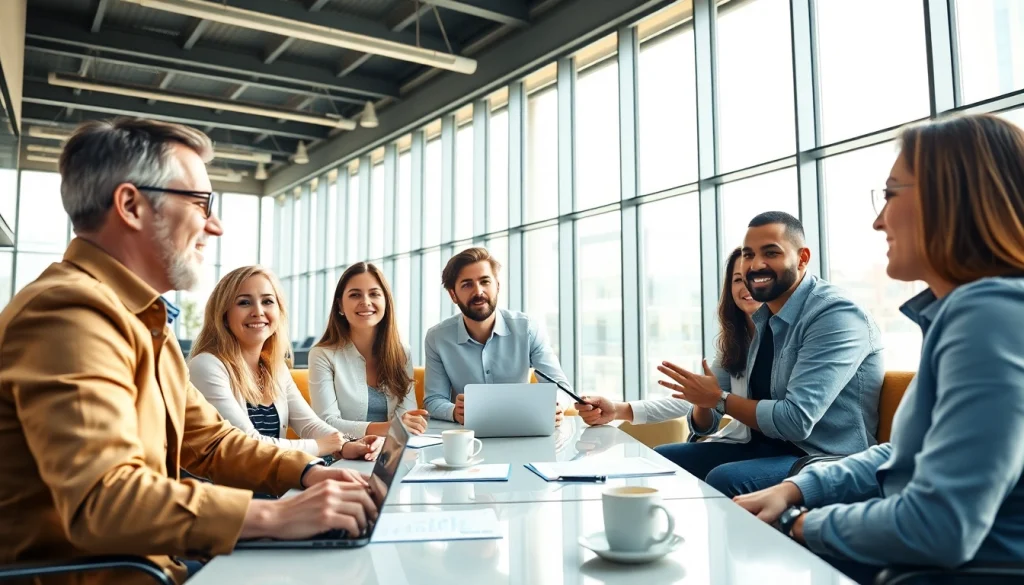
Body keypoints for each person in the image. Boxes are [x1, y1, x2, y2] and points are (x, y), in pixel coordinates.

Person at [0, 119, 375, 584]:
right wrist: (275, 518)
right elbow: (104, 498)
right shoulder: (68, 313)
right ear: (131, 205)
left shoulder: (140, 319)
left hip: (164, 564)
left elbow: (213, 441)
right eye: (200, 203)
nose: (214, 226)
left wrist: (308, 474)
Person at [735, 114, 1024, 584]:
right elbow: (908, 450)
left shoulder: (988, 315)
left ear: (950, 199)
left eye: (891, 194)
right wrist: (797, 488)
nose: (877, 220)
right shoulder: (975, 311)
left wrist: (799, 523)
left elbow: (939, 527)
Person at [650, 211, 884, 496]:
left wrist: (718, 399)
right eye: (748, 255)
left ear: (802, 258)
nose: (756, 264)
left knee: (727, 479)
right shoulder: (762, 319)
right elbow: (707, 422)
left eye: (771, 253)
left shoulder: (835, 315)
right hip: (765, 448)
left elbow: (795, 421)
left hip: (827, 458)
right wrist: (704, 400)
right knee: (662, 460)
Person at [189, 265, 380, 461]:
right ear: (224, 314)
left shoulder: (274, 368)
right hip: (227, 491)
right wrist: (321, 446)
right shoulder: (206, 366)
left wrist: (347, 445)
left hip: (274, 486)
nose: (258, 311)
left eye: (267, 301)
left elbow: (309, 424)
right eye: (244, 302)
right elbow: (248, 443)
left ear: (279, 311)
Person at [576, 247, 762, 447]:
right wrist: (617, 410)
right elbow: (694, 406)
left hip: (772, 449)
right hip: (738, 442)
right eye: (737, 280)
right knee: (666, 455)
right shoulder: (735, 345)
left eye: (754, 277)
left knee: (712, 472)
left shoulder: (784, 336)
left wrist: (716, 398)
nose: (746, 286)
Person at [423, 247, 569, 424]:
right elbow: (433, 400)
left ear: (497, 286)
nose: (478, 292)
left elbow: (561, 387)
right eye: (467, 284)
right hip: (469, 435)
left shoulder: (528, 329)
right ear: (453, 294)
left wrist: (557, 405)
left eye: (485, 282)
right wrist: (454, 411)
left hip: (523, 429)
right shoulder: (437, 338)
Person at [308, 262, 429, 437]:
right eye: (355, 295)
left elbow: (408, 418)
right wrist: (390, 428)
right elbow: (326, 423)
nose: (365, 302)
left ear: (386, 302)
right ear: (340, 306)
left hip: (392, 452)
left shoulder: (402, 353)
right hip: (341, 454)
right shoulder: (322, 355)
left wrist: (401, 428)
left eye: (374, 294)